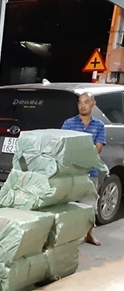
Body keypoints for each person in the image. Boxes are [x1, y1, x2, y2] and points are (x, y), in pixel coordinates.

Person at [61, 92, 106, 246]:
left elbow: (97, 149)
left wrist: (81, 151)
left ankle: (89, 235)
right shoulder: (68, 123)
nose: (82, 105)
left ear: (93, 103)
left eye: (86, 102)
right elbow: (65, 147)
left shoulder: (99, 125)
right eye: (80, 102)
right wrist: (84, 150)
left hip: (90, 171)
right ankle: (66, 236)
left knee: (90, 206)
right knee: (68, 205)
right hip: (71, 172)